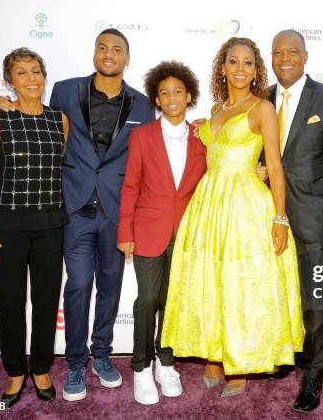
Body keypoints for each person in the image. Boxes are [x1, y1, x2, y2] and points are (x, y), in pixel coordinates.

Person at [0, 29, 156, 401]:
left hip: (117, 211)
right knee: (79, 284)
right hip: (74, 209)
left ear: (128, 57)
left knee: (110, 287)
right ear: (94, 52)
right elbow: (37, 119)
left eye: (117, 49)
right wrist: (4, 102)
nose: (108, 54)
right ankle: (76, 362)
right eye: (102, 47)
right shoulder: (65, 90)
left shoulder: (143, 105)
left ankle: (102, 355)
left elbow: (147, 161)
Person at [160, 37, 304, 398]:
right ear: (221, 68)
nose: (240, 69)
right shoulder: (216, 109)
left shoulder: (263, 109)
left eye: (248, 63)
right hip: (208, 206)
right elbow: (210, 144)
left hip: (246, 207)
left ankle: (239, 365)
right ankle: (215, 355)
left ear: (257, 70)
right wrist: (200, 126)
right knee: (210, 281)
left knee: (242, 284)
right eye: (233, 62)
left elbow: (274, 164)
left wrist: (281, 218)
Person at [261, 30, 323, 413]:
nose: (284, 59)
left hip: (315, 212)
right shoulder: (260, 98)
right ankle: (286, 356)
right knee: (277, 292)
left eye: (292, 52)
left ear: (305, 56)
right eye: (277, 52)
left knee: (314, 299)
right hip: (265, 213)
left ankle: (314, 373)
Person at [0, 47, 68, 406]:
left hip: (49, 226)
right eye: (22, 73)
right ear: (9, 80)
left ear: (45, 76)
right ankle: (14, 372)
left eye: (37, 71)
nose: (31, 79)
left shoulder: (60, 119)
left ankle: (40, 368)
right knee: (10, 303)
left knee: (45, 302)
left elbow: (57, 171)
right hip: (3, 229)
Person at [117, 61, 206, 405]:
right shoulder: (141, 136)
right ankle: (141, 367)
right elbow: (130, 187)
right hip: (147, 230)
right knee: (148, 299)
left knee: (174, 301)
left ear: (189, 96)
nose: (171, 98)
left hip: (187, 233)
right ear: (157, 97)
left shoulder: (202, 136)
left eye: (178, 92)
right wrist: (125, 231)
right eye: (165, 92)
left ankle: (165, 363)